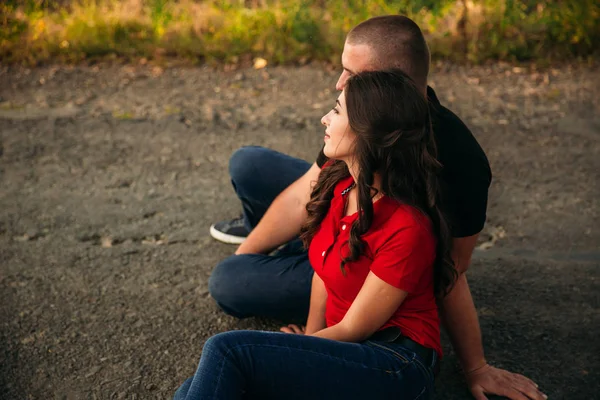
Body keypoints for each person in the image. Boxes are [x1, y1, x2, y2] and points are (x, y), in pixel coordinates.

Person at [208, 16, 546, 400]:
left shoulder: (457, 162)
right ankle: (288, 245)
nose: (338, 83)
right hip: (352, 218)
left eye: (350, 73)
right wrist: (250, 254)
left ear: (388, 87)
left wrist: (476, 366)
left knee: (228, 285)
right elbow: (309, 190)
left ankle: (296, 251)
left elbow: (449, 271)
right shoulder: (352, 153)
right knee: (249, 164)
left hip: (381, 269)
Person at [176, 68, 455, 400]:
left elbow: (355, 328)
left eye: (336, 111)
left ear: (368, 132)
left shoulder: (407, 227)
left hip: (394, 366)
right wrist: (309, 336)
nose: (324, 118)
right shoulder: (339, 186)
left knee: (228, 352)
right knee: (197, 387)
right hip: (350, 348)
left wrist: (300, 347)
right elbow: (321, 274)